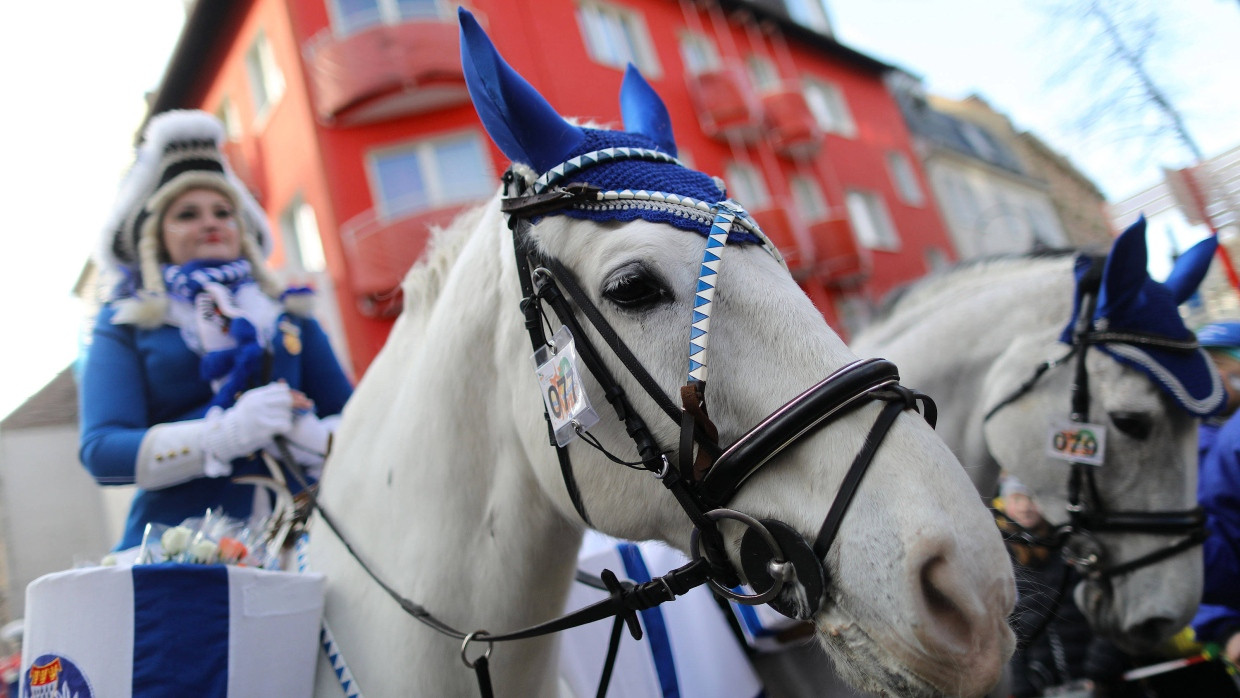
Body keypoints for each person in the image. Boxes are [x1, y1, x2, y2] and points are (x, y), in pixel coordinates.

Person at [79, 110, 353, 551]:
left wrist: (313, 437)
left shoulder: (288, 316)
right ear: (156, 237)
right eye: (187, 214)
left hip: (307, 541)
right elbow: (103, 454)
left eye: (223, 212)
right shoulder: (125, 324)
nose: (210, 223)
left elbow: (356, 420)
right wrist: (225, 434)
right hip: (179, 548)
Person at [997, 475, 1133, 697]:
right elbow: (1009, 625)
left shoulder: (1074, 546)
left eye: (1032, 498)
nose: (1025, 507)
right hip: (1042, 685)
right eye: (1017, 499)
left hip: (1096, 680)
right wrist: (1020, 682)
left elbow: (1108, 602)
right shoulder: (1003, 559)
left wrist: (1101, 665)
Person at [1189, 321, 1240, 664]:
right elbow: (1199, 543)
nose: (1210, 377)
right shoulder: (1191, 447)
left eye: (1219, 364)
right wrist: (1224, 627)